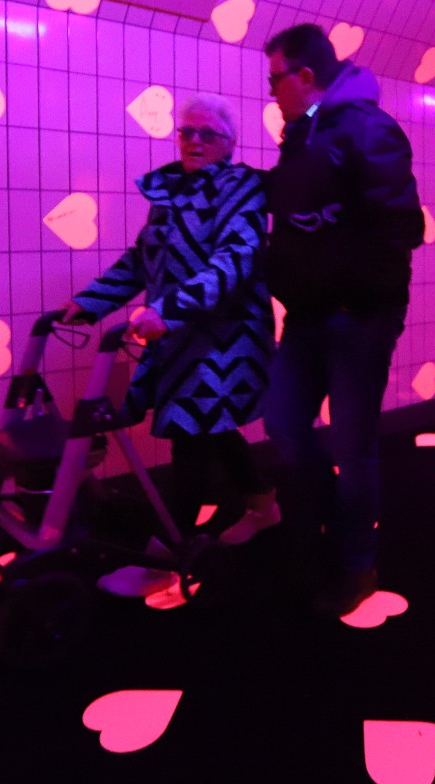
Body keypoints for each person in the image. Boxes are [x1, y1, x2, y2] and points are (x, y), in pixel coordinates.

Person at [62, 94, 278, 594]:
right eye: (187, 132)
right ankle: (264, 506)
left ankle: (166, 556)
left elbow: (235, 260)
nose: (194, 141)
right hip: (176, 330)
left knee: (190, 429)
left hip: (226, 336)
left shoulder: (242, 189)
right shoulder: (170, 191)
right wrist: (87, 303)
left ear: (228, 143)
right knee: (210, 427)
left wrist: (170, 309)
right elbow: (141, 261)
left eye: (207, 134)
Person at [261, 23, 424, 617]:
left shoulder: (366, 127)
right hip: (310, 312)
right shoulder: (304, 134)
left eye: (275, 79)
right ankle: (335, 517)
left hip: (358, 315)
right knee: (283, 421)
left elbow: (401, 227)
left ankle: (357, 564)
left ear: (305, 76)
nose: (271, 91)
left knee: (352, 446)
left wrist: (351, 288)